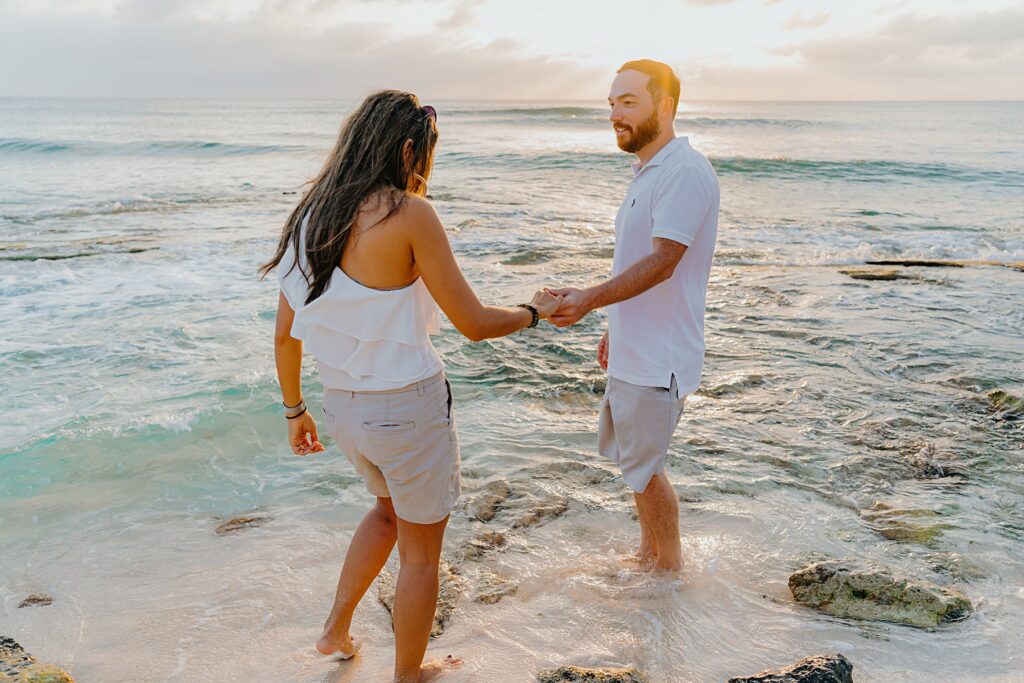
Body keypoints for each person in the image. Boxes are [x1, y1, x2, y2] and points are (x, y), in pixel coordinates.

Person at [260, 90, 561, 682]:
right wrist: (535, 311)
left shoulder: (310, 216)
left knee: (385, 512)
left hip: (344, 411)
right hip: (408, 408)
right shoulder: (410, 215)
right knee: (421, 555)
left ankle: (335, 632)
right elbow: (473, 324)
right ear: (405, 149)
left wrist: (295, 411)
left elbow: (285, 337)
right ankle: (409, 673)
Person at [547, 60, 719, 573]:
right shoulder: (649, 170)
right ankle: (649, 553)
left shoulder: (684, 172)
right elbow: (637, 262)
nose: (615, 114)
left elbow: (664, 261)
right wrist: (612, 324)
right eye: (612, 104)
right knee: (635, 464)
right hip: (634, 345)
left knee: (646, 469)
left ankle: (668, 569)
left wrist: (589, 299)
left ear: (664, 108)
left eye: (629, 103)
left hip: (659, 353)